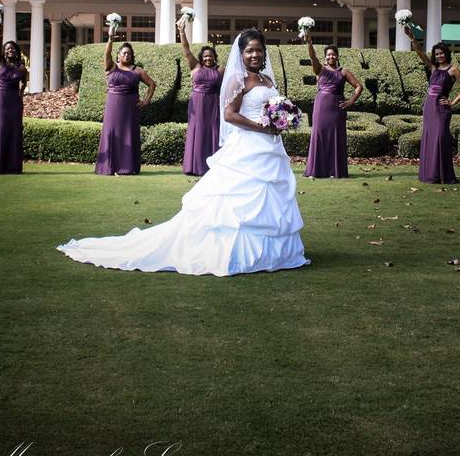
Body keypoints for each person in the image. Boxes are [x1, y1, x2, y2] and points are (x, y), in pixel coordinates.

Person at [58, 29, 310, 276]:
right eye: (249, 50)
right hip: (248, 147)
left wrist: (282, 119)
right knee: (237, 202)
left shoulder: (268, 80)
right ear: (241, 54)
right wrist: (261, 127)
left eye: (259, 50)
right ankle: (232, 251)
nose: (255, 55)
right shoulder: (238, 79)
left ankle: (273, 253)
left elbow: (272, 107)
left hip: (270, 149)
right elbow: (229, 115)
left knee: (270, 196)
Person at [405, 27, 460, 184]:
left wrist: (452, 102)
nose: (439, 56)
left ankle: (443, 174)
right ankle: (430, 175)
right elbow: (420, 53)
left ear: (446, 53)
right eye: (436, 54)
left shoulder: (453, 69)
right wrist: (413, 38)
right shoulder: (433, 68)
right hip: (429, 107)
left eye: (441, 53)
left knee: (441, 139)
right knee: (429, 139)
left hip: (442, 109)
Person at [95, 28, 157, 176]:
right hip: (113, 105)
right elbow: (106, 54)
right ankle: (108, 167)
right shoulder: (111, 67)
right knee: (111, 133)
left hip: (130, 107)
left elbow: (152, 84)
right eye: (124, 53)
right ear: (118, 55)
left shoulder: (137, 70)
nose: (127, 55)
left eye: (129, 53)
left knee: (128, 134)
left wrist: (146, 101)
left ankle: (128, 167)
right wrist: (110, 38)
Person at [303, 35, 363, 178]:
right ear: (325, 57)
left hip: (337, 108)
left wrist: (351, 101)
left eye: (333, 54)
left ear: (337, 56)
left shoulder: (344, 71)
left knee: (336, 137)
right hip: (321, 106)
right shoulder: (319, 69)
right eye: (329, 54)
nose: (331, 56)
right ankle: (317, 170)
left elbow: (359, 86)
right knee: (319, 135)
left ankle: (334, 171)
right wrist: (309, 43)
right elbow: (313, 58)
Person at [177, 16, 223, 176]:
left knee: (213, 131)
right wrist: (182, 32)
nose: (208, 58)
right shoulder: (195, 66)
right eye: (205, 56)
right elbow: (186, 50)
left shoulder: (220, 70)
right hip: (197, 103)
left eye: (211, 56)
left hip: (213, 103)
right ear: (201, 58)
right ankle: (194, 166)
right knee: (197, 130)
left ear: (214, 57)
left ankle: (214, 166)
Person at [0, 40, 27, 174]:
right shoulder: (0, 62)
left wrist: (20, 94)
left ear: (17, 52)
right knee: (1, 127)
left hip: (14, 101)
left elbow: (24, 82)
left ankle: (13, 166)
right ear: (4, 51)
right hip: (1, 99)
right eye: (8, 49)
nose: (11, 50)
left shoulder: (21, 67)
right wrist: (0, 34)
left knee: (14, 129)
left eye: (13, 49)